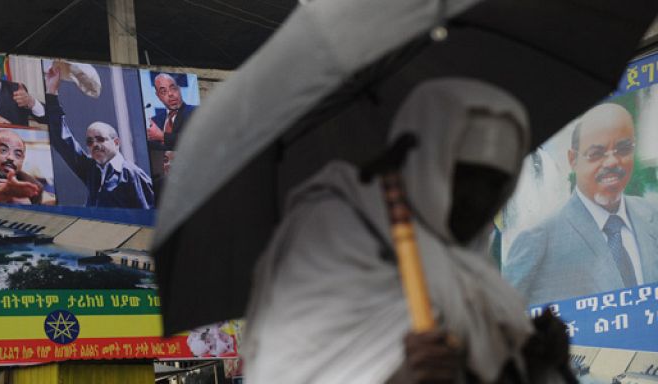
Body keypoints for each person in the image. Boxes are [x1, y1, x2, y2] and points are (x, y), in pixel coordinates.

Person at [243, 79, 572, 383]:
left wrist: (539, 361)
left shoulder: (473, 268)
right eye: (465, 176)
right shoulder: (335, 233)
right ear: (426, 160)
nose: (480, 199)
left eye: (495, 184)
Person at [504, 103, 658, 305]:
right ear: (573, 159)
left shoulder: (651, 214)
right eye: (596, 153)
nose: (612, 162)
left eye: (623, 149)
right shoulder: (539, 240)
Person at [44, 64, 154, 209]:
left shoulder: (132, 174)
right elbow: (62, 140)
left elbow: (148, 217)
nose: (94, 144)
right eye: (89, 142)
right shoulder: (92, 170)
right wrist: (51, 92)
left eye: (101, 139)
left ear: (116, 142)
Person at [147, 73, 196, 150]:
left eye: (173, 88)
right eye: (163, 91)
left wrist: (161, 136)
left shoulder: (194, 112)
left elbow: (194, 139)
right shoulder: (155, 121)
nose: (170, 94)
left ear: (179, 89)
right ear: (158, 96)